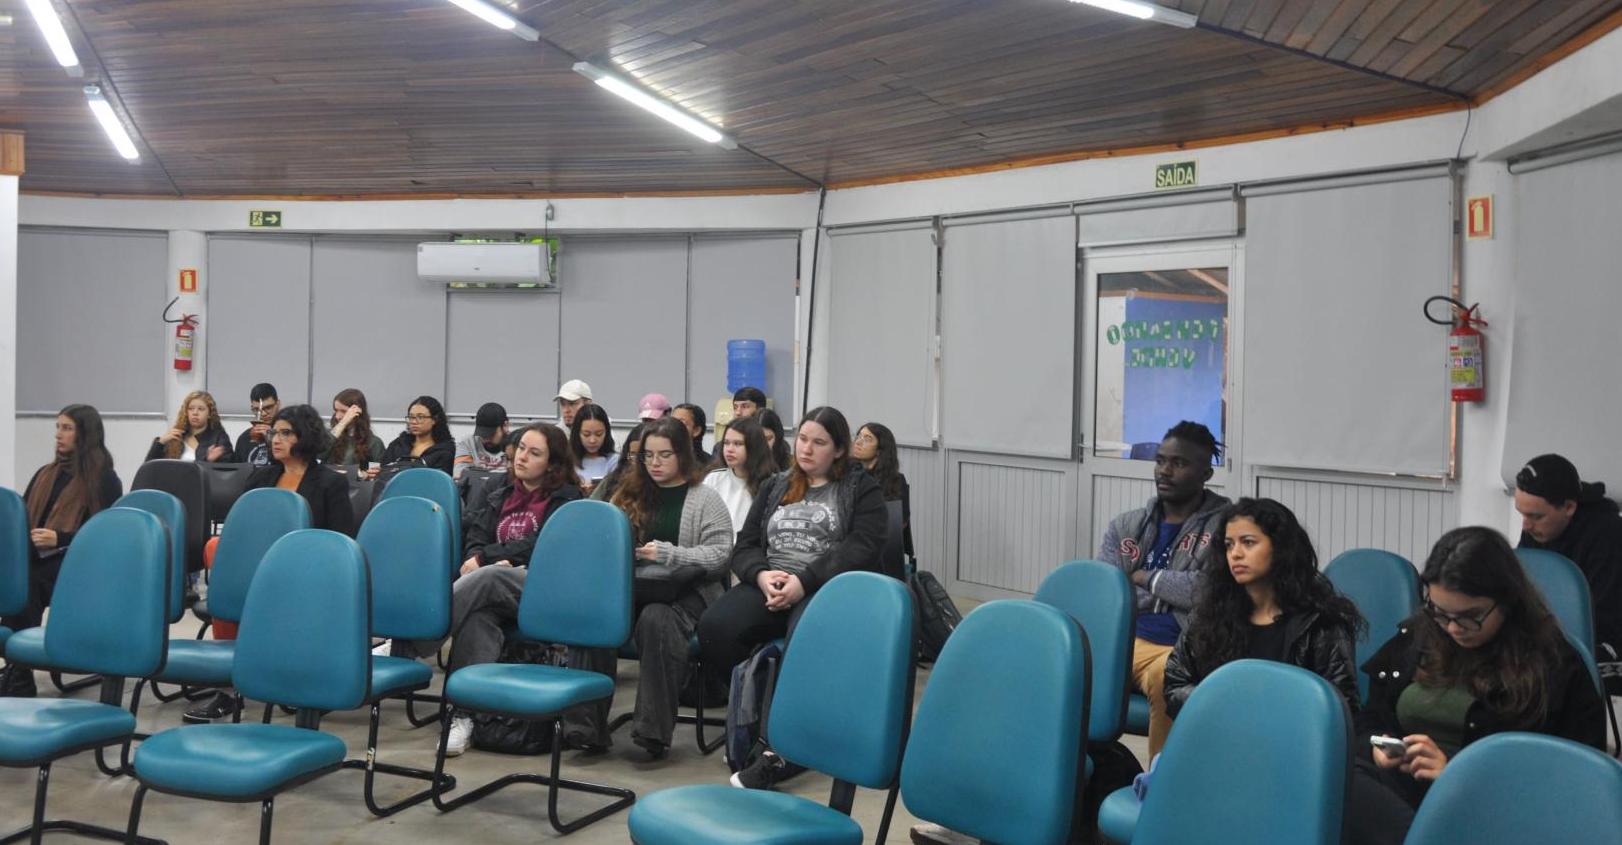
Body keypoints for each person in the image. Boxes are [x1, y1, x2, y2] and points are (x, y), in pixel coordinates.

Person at [1346, 526, 1607, 845]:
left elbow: (1573, 776)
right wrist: (1378, 746)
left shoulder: (1554, 664)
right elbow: (1369, 718)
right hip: (1405, 793)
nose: (1454, 628)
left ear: (1507, 599)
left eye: (1470, 616)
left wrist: (1455, 772)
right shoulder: (1419, 636)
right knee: (1337, 776)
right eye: (1441, 613)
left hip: (1496, 806)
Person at [697, 406, 887, 789]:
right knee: (714, 628)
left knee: (803, 645)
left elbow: (862, 547)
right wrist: (761, 575)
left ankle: (782, 750)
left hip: (826, 588)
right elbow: (746, 545)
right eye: (802, 439)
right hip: (772, 581)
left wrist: (804, 580)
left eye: (819, 442)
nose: (806, 449)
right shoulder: (777, 485)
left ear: (839, 449)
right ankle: (757, 712)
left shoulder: (860, 488)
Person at [388, 423, 583, 756]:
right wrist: (475, 557)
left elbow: (545, 544)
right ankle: (462, 716)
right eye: (521, 448)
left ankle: (407, 643)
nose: (522, 456)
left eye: (534, 453)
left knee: (490, 576)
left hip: (542, 588)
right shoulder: (498, 488)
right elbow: (475, 533)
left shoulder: (568, 498)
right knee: (477, 619)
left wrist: (489, 558)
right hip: (494, 588)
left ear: (552, 464)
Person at [183, 405, 356, 723]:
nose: (276, 439)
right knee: (218, 550)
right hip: (256, 571)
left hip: (307, 573)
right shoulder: (262, 476)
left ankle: (290, 676)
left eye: (286, 433)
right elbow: (241, 529)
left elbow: (341, 541)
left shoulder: (329, 482)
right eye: (274, 432)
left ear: (305, 437)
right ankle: (227, 688)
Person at [595, 417, 734, 759]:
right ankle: (584, 726)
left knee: (656, 619)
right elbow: (602, 542)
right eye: (648, 456)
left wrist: (671, 554)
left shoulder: (705, 498)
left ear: (683, 455)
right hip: (632, 590)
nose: (655, 463)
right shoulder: (627, 493)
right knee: (594, 617)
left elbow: (720, 556)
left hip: (687, 594)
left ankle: (652, 731)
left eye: (664, 455)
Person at [1098, 421, 1229, 758]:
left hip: (1180, 647)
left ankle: (1159, 781)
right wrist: (1172, 588)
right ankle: (1087, 769)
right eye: (1160, 461)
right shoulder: (1125, 526)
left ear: (1206, 474)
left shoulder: (1226, 526)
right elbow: (1109, 592)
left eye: (1179, 463)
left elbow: (1208, 592)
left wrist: (1144, 578)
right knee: (1061, 663)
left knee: (1167, 677)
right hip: (1123, 642)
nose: (1164, 471)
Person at [1163, 498, 1362, 716]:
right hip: (1221, 729)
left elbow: (1342, 707)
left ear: (1281, 547)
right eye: (1229, 545)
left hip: (1289, 734)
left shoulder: (1320, 624)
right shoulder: (1209, 614)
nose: (1235, 554)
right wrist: (1222, 703)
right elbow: (1175, 685)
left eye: (1248, 542)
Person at [0, 405, 122, 698]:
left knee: (27, 581)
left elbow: (104, 536)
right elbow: (23, 519)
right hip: (39, 557)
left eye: (67, 428)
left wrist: (59, 538)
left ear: (85, 434)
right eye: (58, 427)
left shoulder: (104, 479)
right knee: (18, 573)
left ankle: (19, 672)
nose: (58, 434)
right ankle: (15, 664)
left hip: (79, 564)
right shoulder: (46, 473)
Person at [1514, 453, 1622, 685]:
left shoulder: (1609, 537)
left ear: (1569, 507)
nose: (1525, 525)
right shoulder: (1538, 528)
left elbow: (1602, 621)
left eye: (1535, 516)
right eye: (1521, 513)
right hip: (1550, 635)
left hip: (1604, 643)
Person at [703, 418, 776, 535]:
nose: (729, 449)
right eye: (726, 443)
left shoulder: (771, 484)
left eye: (738, 444)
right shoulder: (713, 479)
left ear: (754, 447)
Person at [853, 422, 913, 559]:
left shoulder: (895, 480)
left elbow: (897, 522)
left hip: (880, 550)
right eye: (858, 436)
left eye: (867, 439)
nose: (858, 442)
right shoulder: (848, 475)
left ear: (880, 450)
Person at [145, 390, 232, 463]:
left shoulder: (219, 438)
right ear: (186, 412)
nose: (195, 413)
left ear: (209, 414)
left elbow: (227, 470)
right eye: (191, 409)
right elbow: (149, 468)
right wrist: (160, 442)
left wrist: (209, 461)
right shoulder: (175, 436)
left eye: (201, 409)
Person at [380, 395, 455, 474]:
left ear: (434, 419)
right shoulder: (398, 444)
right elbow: (384, 470)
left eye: (420, 417)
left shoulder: (445, 450)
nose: (414, 422)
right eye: (411, 417)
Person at [327, 388, 386, 472]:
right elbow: (319, 457)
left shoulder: (374, 443)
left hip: (355, 480)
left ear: (357, 412)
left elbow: (375, 474)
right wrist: (342, 423)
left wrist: (363, 474)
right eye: (336, 410)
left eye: (344, 411)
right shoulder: (329, 437)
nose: (337, 416)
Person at [453, 402, 510, 479]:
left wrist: (476, 475)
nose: (485, 439)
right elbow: (459, 476)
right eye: (482, 434)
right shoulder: (467, 443)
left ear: (505, 426)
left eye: (491, 434)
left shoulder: (517, 446)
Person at [591, 423, 644, 503]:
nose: (637, 461)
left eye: (644, 455)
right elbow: (591, 506)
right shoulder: (613, 480)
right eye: (633, 455)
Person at [570, 403, 617, 492]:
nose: (592, 440)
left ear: (606, 433)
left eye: (599, 434)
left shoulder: (614, 461)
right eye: (586, 434)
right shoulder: (567, 460)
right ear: (577, 433)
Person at [231, 382, 279, 466]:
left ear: (278, 404)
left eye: (268, 408)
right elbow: (237, 471)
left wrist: (272, 439)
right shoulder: (244, 438)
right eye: (257, 410)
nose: (263, 414)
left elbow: (294, 466)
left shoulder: (288, 433)